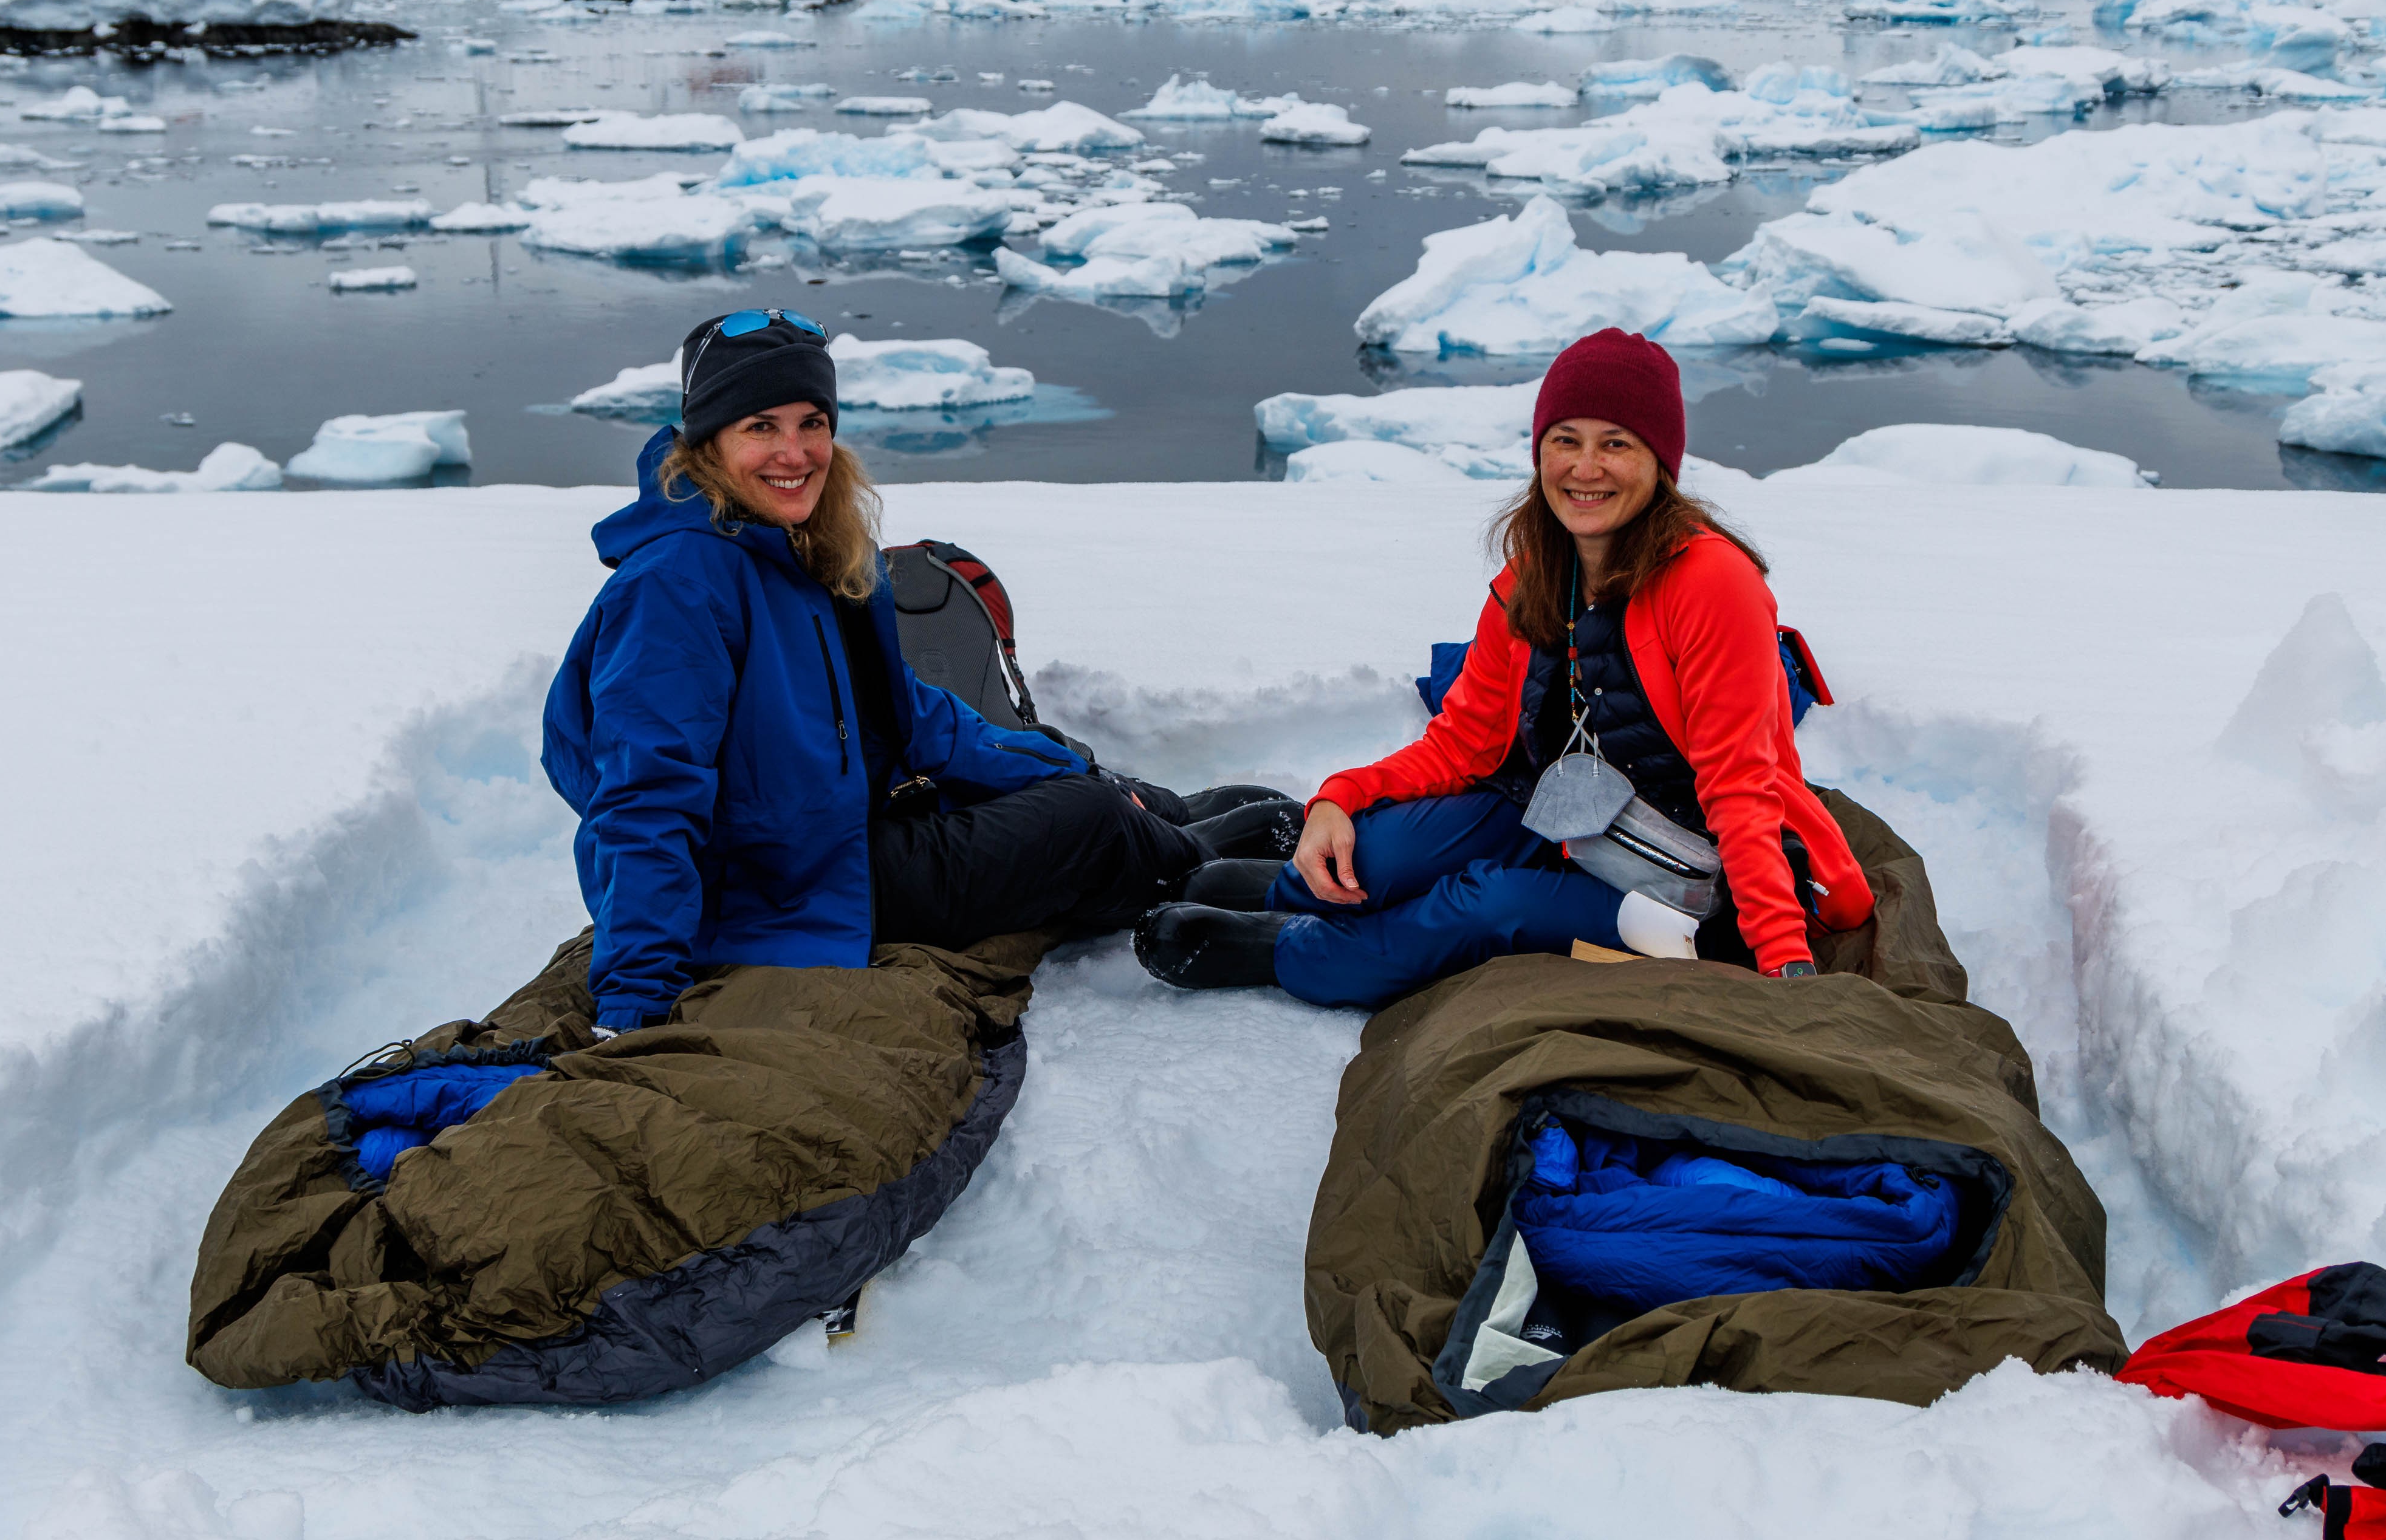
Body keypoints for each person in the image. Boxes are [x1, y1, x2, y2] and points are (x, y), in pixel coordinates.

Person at [544, 309, 1299, 1035]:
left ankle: (1155, 811)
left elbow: (905, 714)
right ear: (709, 441)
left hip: (830, 826)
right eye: (760, 427)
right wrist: (635, 999)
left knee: (1051, 769)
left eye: (812, 423)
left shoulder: (797, 544)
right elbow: (646, 798)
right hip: (775, 887)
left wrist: (1070, 764)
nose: (795, 452)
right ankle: (1191, 860)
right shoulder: (677, 584)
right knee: (1085, 827)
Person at [1132, 326, 1875, 1007]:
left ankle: (1299, 953)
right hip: (1569, 817)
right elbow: (1463, 742)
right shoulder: (1536, 576)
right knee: (1385, 852)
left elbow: (1740, 786)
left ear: (1661, 462)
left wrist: (1782, 959)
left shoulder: (1712, 582)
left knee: (1483, 902)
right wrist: (1339, 797)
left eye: (1616, 443)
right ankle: (1300, 889)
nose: (1586, 468)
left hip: (1691, 876)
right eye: (1565, 440)